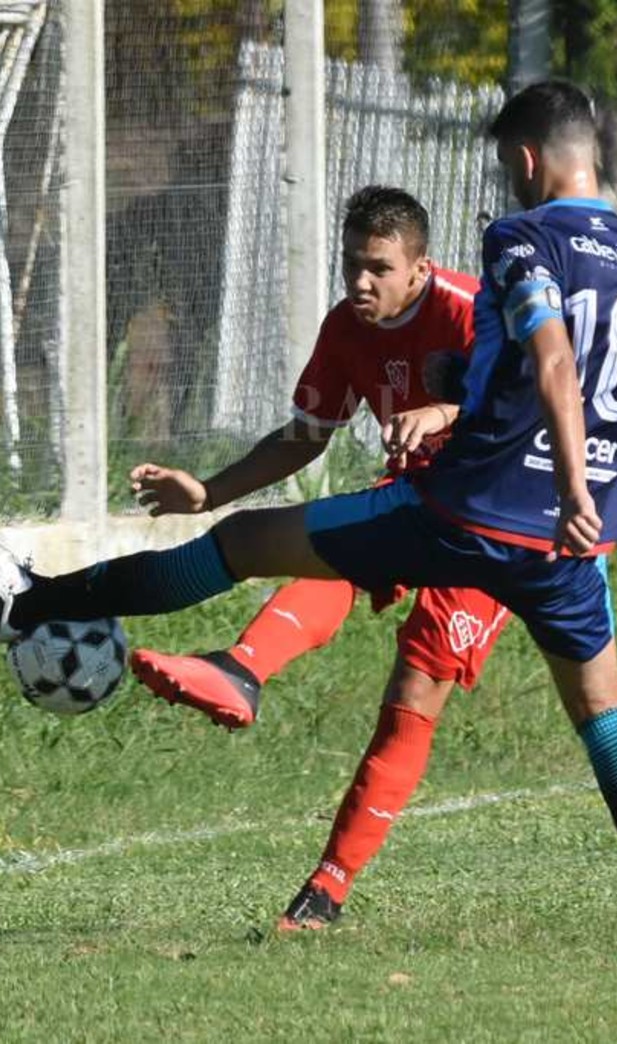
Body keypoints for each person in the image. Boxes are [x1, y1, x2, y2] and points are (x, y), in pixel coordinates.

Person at [0, 80, 617, 940]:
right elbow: (609, 385)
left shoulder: (521, 237)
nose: (509, 185)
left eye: (508, 169)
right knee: (603, 708)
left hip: (471, 513)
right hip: (571, 541)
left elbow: (555, 362)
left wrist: (542, 466)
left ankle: (32, 600)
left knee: (243, 543)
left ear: (526, 160)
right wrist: (579, 488)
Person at [125, 184, 508, 733]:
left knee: (418, 691)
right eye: (352, 264)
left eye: (379, 267)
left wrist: (445, 412)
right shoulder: (346, 327)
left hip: (500, 507)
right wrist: (208, 493)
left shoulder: (473, 313)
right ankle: (240, 670)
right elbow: (304, 437)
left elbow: (538, 398)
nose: (359, 282)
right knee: (339, 551)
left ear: (420, 269)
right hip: (422, 490)